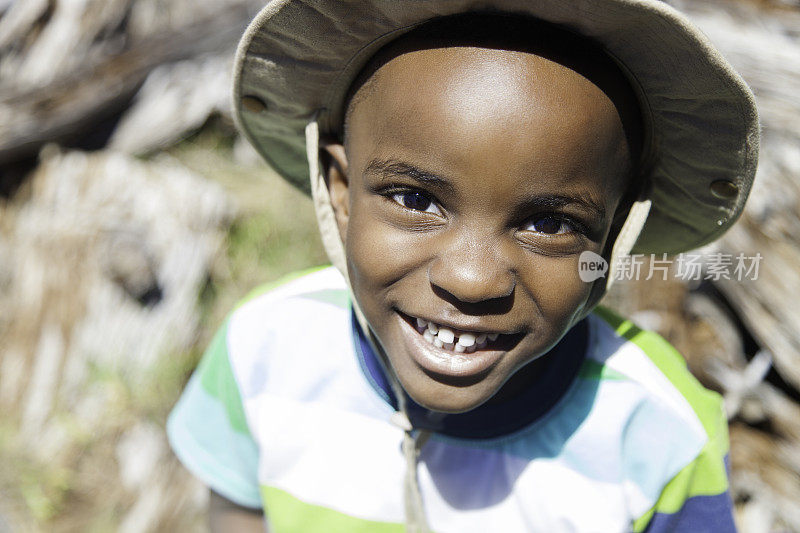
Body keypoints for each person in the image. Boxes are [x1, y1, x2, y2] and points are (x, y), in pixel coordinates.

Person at [167, 2, 758, 532]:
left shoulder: (656, 429)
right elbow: (240, 509)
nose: (472, 280)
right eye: (416, 200)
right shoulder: (262, 351)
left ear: (613, 239)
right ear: (340, 193)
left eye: (551, 224)